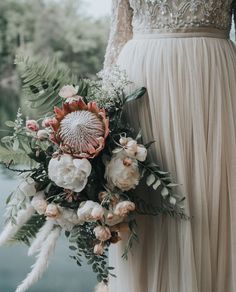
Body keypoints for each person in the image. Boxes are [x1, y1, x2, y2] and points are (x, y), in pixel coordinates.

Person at [102, 1, 236, 292]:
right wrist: (102, 115)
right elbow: (119, 32)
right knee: (144, 193)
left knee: (213, 194)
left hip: (214, 80)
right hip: (143, 81)